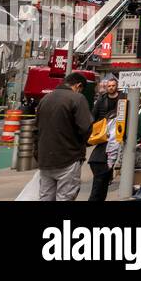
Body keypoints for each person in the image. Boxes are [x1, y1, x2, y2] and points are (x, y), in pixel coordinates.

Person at [35, 72, 92, 201]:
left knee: (45, 197)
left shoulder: (45, 99)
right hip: (69, 158)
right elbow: (86, 128)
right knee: (65, 197)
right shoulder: (77, 99)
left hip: (45, 159)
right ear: (78, 85)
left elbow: (36, 129)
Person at [87, 75, 122, 201]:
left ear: (116, 86)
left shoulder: (122, 98)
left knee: (101, 186)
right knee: (99, 187)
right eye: (109, 86)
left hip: (116, 132)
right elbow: (94, 115)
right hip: (104, 132)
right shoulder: (102, 100)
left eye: (113, 86)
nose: (111, 88)